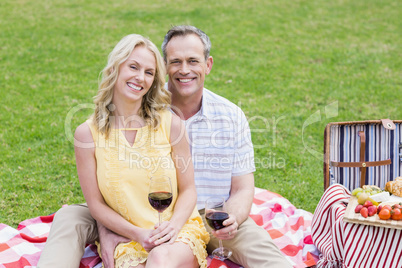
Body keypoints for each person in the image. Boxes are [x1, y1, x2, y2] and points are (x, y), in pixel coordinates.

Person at [38, 26, 291, 268]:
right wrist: (106, 230)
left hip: (202, 215)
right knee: (69, 217)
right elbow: (99, 197)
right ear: (166, 68)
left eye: (193, 61)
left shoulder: (227, 116)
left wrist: (230, 218)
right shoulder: (139, 105)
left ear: (208, 65)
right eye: (175, 62)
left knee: (264, 254)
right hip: (129, 212)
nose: (184, 70)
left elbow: (243, 188)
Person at [40, 33, 210, 268]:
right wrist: (137, 234)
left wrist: (173, 227)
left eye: (149, 72)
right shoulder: (86, 135)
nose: (140, 78)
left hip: (177, 232)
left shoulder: (171, 124)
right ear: (115, 68)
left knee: (160, 259)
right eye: (133, 67)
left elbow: (189, 189)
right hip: (129, 238)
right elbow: (96, 205)